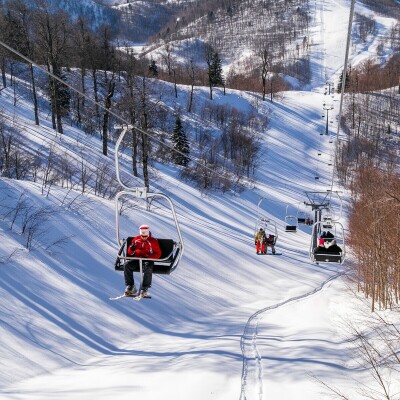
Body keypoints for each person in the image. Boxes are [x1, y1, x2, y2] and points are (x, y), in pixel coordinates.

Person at [124, 224, 161, 296]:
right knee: (127, 265)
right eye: (142, 236)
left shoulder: (153, 241)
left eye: (145, 236)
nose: (144, 238)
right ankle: (130, 286)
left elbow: (158, 254)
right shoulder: (136, 240)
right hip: (138, 259)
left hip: (147, 260)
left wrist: (148, 256)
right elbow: (130, 253)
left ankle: (144, 288)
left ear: (148, 235)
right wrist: (131, 249)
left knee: (148, 267)